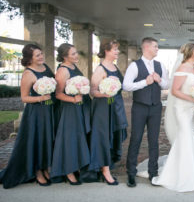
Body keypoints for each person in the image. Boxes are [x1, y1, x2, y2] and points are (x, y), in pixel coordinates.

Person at [149, 43, 194, 192]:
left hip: (192, 109)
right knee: (185, 136)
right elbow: (174, 91)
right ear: (191, 52)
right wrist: (193, 99)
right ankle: (183, 176)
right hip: (182, 108)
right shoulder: (182, 68)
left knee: (191, 135)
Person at [0, 44, 55, 188]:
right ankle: (37, 172)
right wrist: (40, 98)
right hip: (36, 113)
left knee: (46, 139)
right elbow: (24, 98)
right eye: (37, 55)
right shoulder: (28, 73)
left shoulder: (46, 67)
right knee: (37, 140)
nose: (41, 56)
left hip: (49, 111)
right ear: (29, 59)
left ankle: (45, 168)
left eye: (41, 53)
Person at [123, 37, 169, 187]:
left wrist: (159, 80)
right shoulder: (135, 66)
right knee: (135, 139)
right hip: (140, 107)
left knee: (154, 141)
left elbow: (166, 84)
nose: (157, 49)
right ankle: (131, 173)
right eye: (155, 46)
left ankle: (153, 173)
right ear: (146, 47)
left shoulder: (160, 65)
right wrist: (145, 82)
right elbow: (126, 86)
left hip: (156, 107)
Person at [86, 40, 128, 185]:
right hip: (103, 108)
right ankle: (105, 171)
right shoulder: (100, 69)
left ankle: (108, 164)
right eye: (114, 50)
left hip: (116, 106)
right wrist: (105, 94)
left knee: (113, 136)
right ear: (106, 51)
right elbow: (93, 91)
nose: (117, 52)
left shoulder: (114, 66)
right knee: (103, 138)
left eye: (117, 49)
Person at [51, 43, 91, 185]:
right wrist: (73, 99)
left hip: (79, 107)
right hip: (69, 110)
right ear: (64, 56)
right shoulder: (63, 71)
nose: (76, 55)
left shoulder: (73, 66)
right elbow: (58, 94)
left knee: (78, 138)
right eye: (73, 54)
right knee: (69, 140)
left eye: (76, 52)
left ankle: (77, 166)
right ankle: (68, 171)